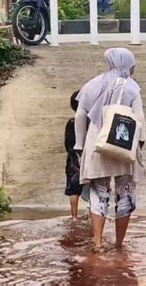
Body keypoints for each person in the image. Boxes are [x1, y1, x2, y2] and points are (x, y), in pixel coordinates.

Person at [74, 48, 146, 251]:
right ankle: (119, 244)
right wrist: (140, 144)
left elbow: (80, 115)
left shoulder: (93, 84)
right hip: (124, 143)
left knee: (99, 192)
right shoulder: (132, 87)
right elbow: (139, 118)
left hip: (98, 143)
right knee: (125, 193)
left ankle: (97, 243)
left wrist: (79, 145)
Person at [64, 91, 85, 222]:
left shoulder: (71, 122)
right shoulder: (88, 121)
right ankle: (92, 212)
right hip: (87, 158)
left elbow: (67, 142)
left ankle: (74, 216)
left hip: (73, 160)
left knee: (73, 190)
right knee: (93, 188)